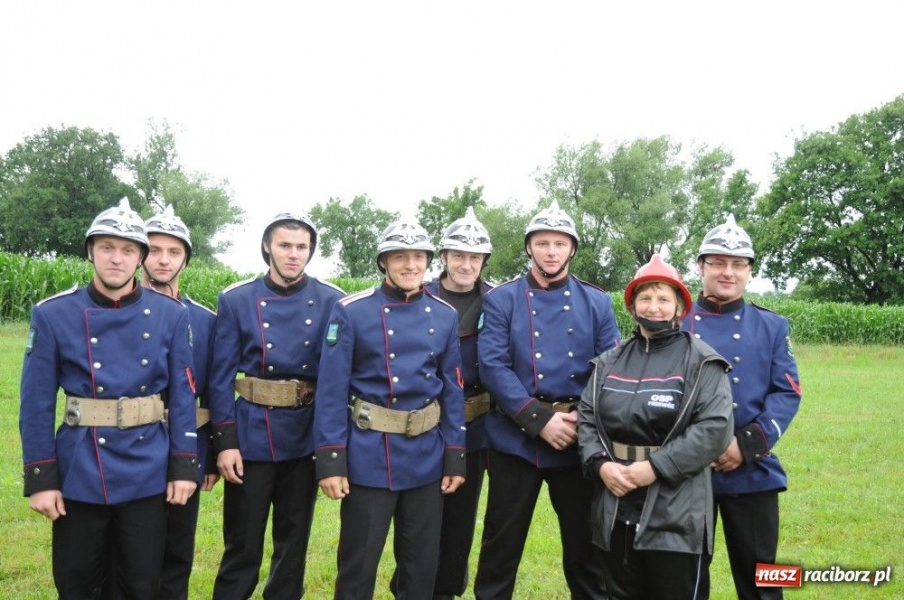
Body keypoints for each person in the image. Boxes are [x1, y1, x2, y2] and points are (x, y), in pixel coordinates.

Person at [19, 197, 199, 599]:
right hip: (80, 467)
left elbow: (183, 395)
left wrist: (184, 466)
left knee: (140, 582)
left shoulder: (171, 314)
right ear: (90, 251)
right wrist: (40, 478)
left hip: (147, 466)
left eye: (127, 250)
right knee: (78, 581)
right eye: (106, 248)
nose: (116, 259)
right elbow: (36, 402)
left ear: (139, 258)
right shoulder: (53, 313)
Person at [474, 201, 621, 600]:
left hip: (577, 441)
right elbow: (492, 366)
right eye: (542, 243)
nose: (551, 252)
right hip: (514, 439)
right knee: (500, 548)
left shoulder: (597, 302)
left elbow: (609, 370)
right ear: (529, 248)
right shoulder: (502, 299)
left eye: (559, 243)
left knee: (585, 550)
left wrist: (577, 423)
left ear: (572, 249)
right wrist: (538, 419)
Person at [314, 217, 467, 600]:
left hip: (427, 458)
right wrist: (331, 461)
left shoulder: (445, 315)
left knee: (421, 566)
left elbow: (452, 389)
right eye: (400, 256)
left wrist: (454, 456)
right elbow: (331, 391)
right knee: (358, 565)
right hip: (370, 455)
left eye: (419, 256)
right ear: (384, 261)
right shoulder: (351, 311)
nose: (411, 265)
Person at [577, 254, 734, 599]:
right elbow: (586, 419)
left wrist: (655, 468)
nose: (654, 307)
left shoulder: (703, 361)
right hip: (616, 504)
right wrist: (601, 465)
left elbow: (715, 428)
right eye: (645, 298)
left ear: (680, 307)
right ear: (632, 306)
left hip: (677, 514)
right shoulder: (609, 362)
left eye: (664, 299)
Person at [209, 212, 344, 600]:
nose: (293, 255)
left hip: (304, 435)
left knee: (294, 539)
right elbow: (220, 379)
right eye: (285, 245)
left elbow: (336, 379)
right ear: (268, 246)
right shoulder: (237, 299)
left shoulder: (332, 300)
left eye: (302, 247)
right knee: (242, 540)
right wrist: (226, 442)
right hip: (251, 435)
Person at [682, 215, 802, 600]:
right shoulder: (675, 321)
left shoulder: (772, 326)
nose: (727, 272)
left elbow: (786, 393)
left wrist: (745, 445)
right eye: (717, 262)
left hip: (750, 468)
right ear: (701, 267)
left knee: (764, 578)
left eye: (738, 264)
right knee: (685, 581)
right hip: (685, 473)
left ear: (749, 272)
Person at [142, 205, 219, 599]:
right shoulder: (122, 313)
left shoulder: (205, 321)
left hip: (186, 448)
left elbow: (211, 393)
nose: (163, 259)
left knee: (177, 551)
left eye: (173, 252)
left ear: (185, 260)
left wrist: (207, 456)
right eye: (155, 250)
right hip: (133, 447)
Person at [425, 207, 495, 599]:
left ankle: (447, 590)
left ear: (483, 261)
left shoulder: (498, 302)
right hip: (424, 425)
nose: (466, 264)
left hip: (475, 427)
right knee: (420, 519)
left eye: (474, 257)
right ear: (445, 258)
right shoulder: (419, 295)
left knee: (460, 521)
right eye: (458, 255)